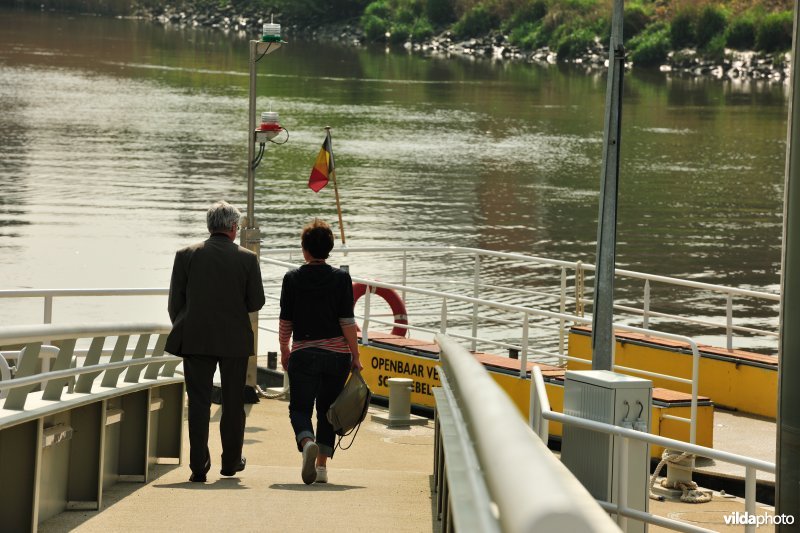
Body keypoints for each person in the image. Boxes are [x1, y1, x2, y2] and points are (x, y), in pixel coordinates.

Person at [166, 200, 265, 483]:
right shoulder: (247, 258)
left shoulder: (185, 255)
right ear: (234, 228)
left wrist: (187, 324)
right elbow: (255, 302)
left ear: (210, 226)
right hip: (234, 340)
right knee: (233, 402)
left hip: (195, 338)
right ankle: (231, 462)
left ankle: (199, 466)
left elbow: (175, 303)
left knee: (198, 402)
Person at [279, 218, 363, 485]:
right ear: (329, 249)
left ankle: (306, 442)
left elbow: (286, 322)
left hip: (303, 353)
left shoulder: (292, 279)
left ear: (305, 249)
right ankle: (322, 468)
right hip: (337, 356)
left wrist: (284, 349)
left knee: (299, 408)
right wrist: (355, 355)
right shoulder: (341, 278)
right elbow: (347, 322)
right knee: (329, 410)